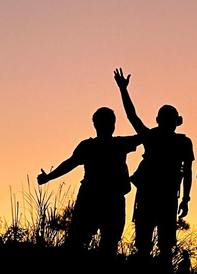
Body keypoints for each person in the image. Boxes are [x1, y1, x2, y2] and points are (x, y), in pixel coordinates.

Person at [114, 68, 194, 269]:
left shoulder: (160, 138)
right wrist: (185, 198)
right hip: (158, 196)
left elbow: (132, 116)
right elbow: (188, 172)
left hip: (160, 196)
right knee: (154, 245)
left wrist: (185, 198)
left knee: (156, 245)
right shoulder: (170, 140)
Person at [37, 107, 140, 260]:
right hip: (98, 198)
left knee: (96, 243)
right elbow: (70, 163)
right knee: (91, 243)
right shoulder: (117, 144)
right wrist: (49, 177)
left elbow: (70, 163)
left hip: (99, 198)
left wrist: (49, 177)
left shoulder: (98, 145)